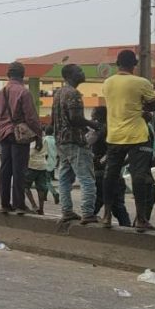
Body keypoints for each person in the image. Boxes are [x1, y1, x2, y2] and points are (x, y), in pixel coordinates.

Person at [100, 49, 155, 231]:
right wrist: (142, 110)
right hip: (137, 135)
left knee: (110, 175)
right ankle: (141, 219)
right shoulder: (141, 82)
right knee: (138, 176)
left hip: (115, 135)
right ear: (134, 65)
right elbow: (154, 105)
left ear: (118, 64)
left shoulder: (107, 83)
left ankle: (107, 215)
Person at [53, 64, 102, 224]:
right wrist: (93, 124)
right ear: (70, 75)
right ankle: (88, 213)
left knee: (65, 178)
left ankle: (67, 211)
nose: (82, 73)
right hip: (75, 140)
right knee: (86, 178)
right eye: (79, 71)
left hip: (61, 141)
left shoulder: (59, 92)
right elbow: (75, 118)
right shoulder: (73, 93)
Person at [0, 61, 43, 215]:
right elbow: (31, 117)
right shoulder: (24, 92)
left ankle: (4, 203)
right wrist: (38, 135)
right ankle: (19, 204)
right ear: (23, 75)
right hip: (19, 135)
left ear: (8, 75)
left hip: (3, 133)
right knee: (19, 170)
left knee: (5, 170)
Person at [90, 106, 131, 227]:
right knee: (117, 206)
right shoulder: (113, 129)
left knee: (96, 203)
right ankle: (127, 228)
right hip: (112, 173)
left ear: (99, 117)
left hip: (102, 173)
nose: (92, 119)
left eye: (93, 116)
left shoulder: (102, 131)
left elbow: (109, 151)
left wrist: (101, 161)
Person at [24, 140, 50, 215]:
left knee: (25, 186)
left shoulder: (31, 141)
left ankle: (34, 206)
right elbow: (46, 154)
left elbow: (30, 154)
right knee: (41, 189)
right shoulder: (44, 140)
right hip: (42, 166)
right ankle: (41, 209)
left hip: (31, 166)